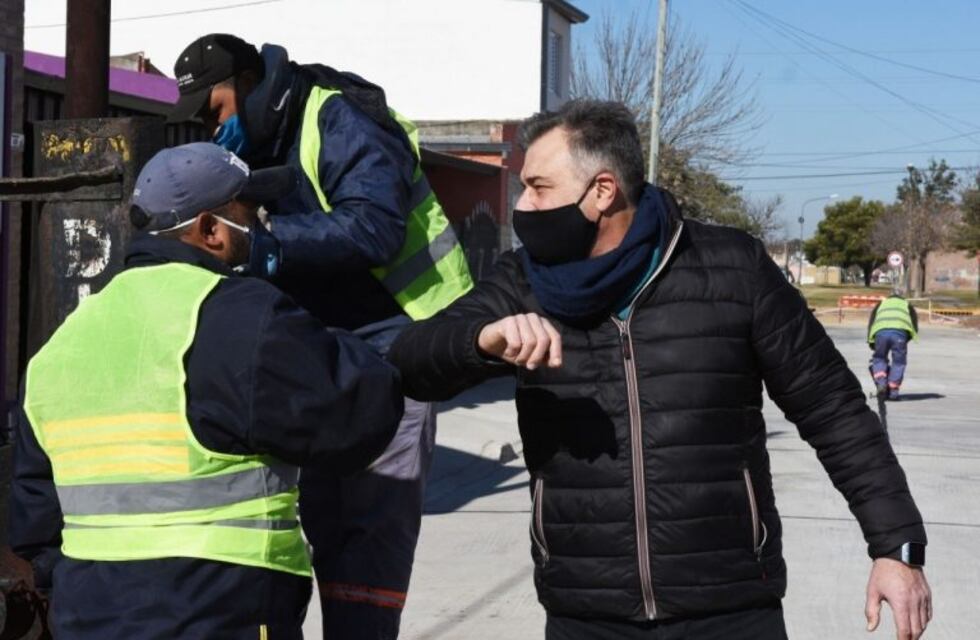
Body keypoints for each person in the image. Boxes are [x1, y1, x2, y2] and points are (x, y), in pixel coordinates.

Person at [387, 100, 933, 640]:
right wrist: (480, 340)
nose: (523, 205)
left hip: (732, 605)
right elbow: (409, 361)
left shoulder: (732, 269)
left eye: (539, 186)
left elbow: (833, 409)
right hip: (586, 611)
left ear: (601, 191)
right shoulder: (520, 283)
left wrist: (896, 547)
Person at [8, 143, 404, 639]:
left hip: (88, 615)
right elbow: (356, 415)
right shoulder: (244, 315)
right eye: (252, 216)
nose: (262, 229)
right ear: (211, 230)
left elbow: (34, 514)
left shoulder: (61, 344)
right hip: (224, 610)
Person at [168, 33, 473, 639]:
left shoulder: (333, 115)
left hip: (399, 346)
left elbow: (376, 227)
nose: (211, 127)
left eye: (215, 109)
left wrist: (265, 246)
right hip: (328, 351)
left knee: (368, 540)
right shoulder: (259, 145)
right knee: (326, 524)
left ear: (250, 82)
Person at [868, 293, 918, 400]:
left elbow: (872, 322)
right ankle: (893, 392)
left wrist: (872, 343)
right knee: (899, 362)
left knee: (879, 358)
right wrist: (906, 339)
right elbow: (914, 324)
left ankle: (881, 383)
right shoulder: (906, 304)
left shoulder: (882, 303)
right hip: (900, 334)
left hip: (880, 333)